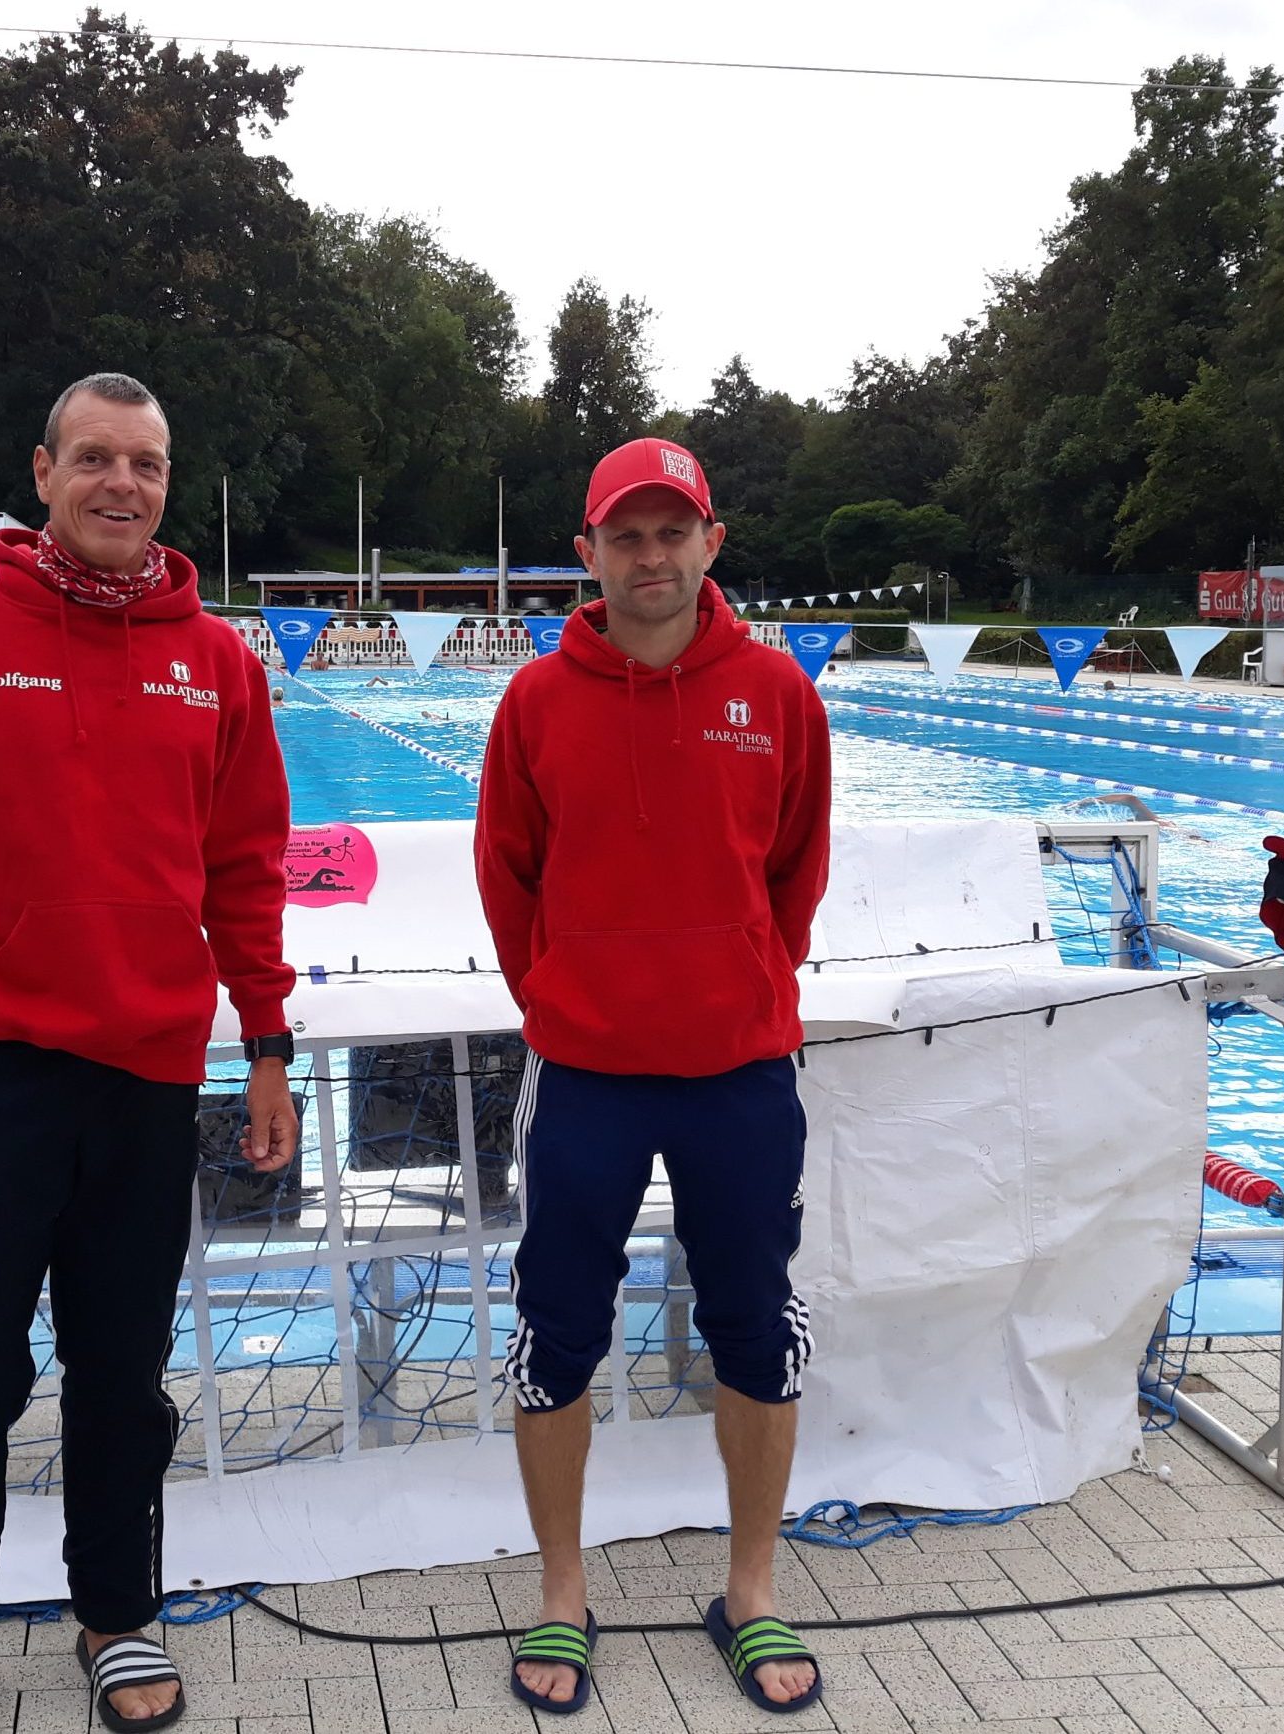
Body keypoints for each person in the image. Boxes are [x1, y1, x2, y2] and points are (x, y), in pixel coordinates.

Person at [0, 372, 300, 1734]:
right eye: (93, 457)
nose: (120, 483)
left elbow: (247, 874)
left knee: (119, 1376)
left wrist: (265, 1045)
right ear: (41, 471)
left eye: (143, 463)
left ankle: (117, 1615)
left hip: (153, 1080)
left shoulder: (215, 663)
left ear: (168, 483)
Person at [475, 437, 832, 1716]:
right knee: (557, 1332)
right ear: (587, 554)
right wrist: (572, 997)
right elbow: (504, 877)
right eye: (622, 535)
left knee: (753, 1325)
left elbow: (794, 872)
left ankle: (749, 1587)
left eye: (668, 531)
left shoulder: (779, 695)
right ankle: (560, 1593)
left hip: (739, 1072)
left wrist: (738, 984)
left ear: (709, 542)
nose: (648, 555)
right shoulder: (534, 703)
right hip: (584, 1074)